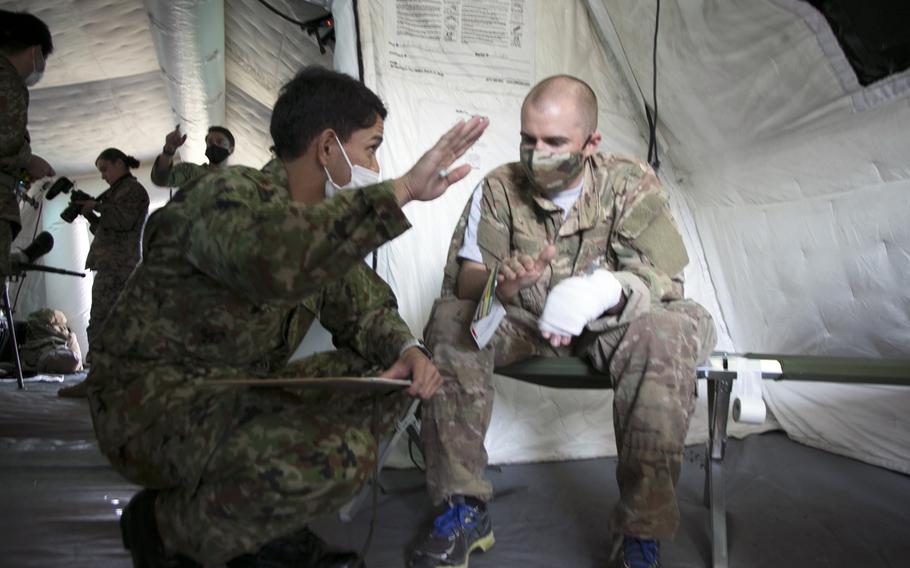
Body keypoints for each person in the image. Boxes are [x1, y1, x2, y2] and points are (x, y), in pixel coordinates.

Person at [85, 66, 488, 567]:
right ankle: (168, 529)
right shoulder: (226, 197)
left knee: (379, 377)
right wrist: (401, 191)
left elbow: (364, 305)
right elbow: (275, 262)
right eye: (371, 147)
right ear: (327, 147)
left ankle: (255, 524)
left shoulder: (319, 223)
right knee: (339, 456)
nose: (375, 164)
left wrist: (406, 351)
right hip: (150, 408)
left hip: (230, 392)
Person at [409, 75, 716, 568]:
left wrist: (600, 293)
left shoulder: (630, 181)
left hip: (611, 328)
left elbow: (664, 279)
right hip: (524, 320)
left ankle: (639, 532)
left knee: (667, 331)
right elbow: (467, 281)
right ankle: (463, 508)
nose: (538, 152)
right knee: (451, 320)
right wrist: (499, 288)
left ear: (591, 143)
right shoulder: (499, 187)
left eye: (554, 142)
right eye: (528, 140)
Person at [58, 148, 149, 397]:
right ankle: (107, 380)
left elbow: (124, 221)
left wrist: (97, 205)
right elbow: (108, 230)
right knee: (105, 321)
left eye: (105, 169)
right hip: (113, 265)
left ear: (119, 163)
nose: (103, 176)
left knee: (102, 321)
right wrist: (91, 215)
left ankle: (100, 382)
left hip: (120, 268)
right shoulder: (115, 193)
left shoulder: (132, 191)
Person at [0, 10, 54, 277]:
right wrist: (28, 161)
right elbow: (5, 139)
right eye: (43, 58)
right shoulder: (7, 79)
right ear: (35, 50)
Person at [150, 124, 236, 188]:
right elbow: (160, 180)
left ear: (231, 150)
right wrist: (169, 150)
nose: (213, 144)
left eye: (220, 141)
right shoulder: (189, 171)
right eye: (209, 142)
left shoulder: (241, 177)